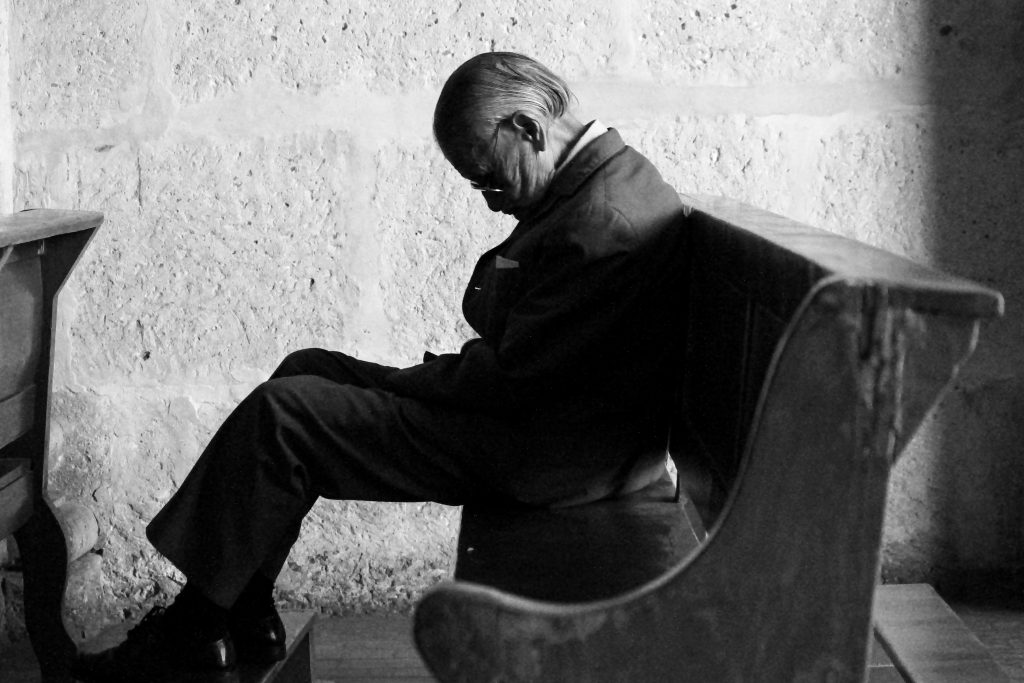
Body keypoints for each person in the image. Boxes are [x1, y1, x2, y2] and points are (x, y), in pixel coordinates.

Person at [73, 51, 686, 682]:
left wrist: (404, 384)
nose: (490, 202)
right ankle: (244, 608)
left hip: (551, 459)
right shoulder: (599, 183)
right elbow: (524, 367)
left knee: (285, 416)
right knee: (306, 368)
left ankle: (194, 628)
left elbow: (509, 381)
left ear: (527, 128)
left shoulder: (601, 217)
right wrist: (408, 384)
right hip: (552, 428)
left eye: (488, 179)